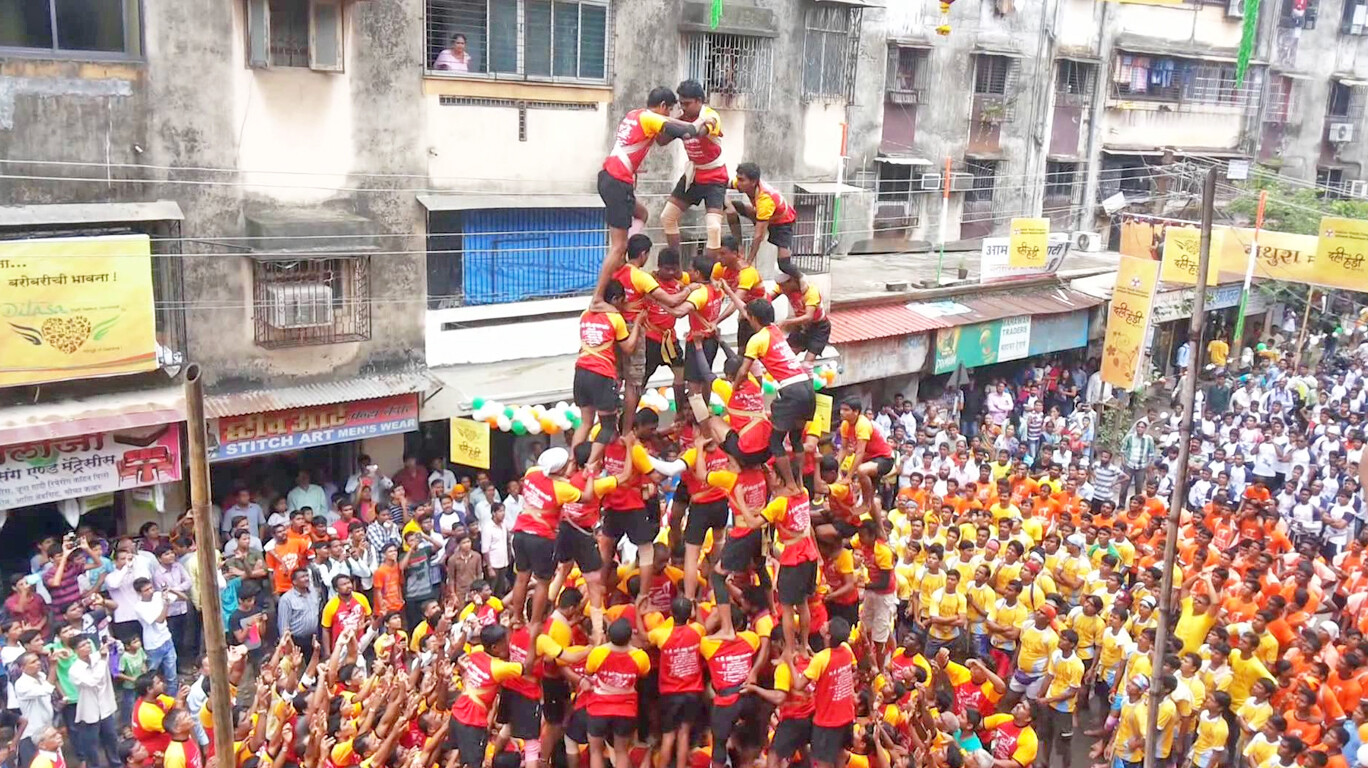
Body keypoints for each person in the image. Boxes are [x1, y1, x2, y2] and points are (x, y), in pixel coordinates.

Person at [592, 87, 715, 308]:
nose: (668, 116)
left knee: (642, 213)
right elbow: (686, 132)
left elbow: (658, 139)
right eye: (669, 111)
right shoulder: (651, 118)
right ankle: (598, 297)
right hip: (618, 182)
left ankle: (623, 262)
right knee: (618, 245)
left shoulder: (634, 115)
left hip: (610, 177)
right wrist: (706, 121)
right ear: (663, 107)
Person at [660, 79, 728, 258]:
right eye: (681, 103)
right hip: (694, 175)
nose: (683, 108)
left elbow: (701, 131)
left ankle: (707, 273)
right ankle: (675, 266)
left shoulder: (710, 116)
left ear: (699, 100)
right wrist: (663, 123)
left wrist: (680, 127)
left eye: (687, 103)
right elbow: (661, 140)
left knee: (713, 227)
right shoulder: (682, 119)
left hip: (715, 177)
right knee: (667, 217)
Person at [727, 162, 799, 277]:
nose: (738, 183)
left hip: (783, 223)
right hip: (764, 216)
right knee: (733, 206)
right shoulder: (746, 184)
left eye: (741, 180)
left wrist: (749, 261)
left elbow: (758, 236)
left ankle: (801, 279)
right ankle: (739, 246)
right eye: (737, 179)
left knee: (784, 264)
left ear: (753, 182)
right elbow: (724, 183)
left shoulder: (765, 199)